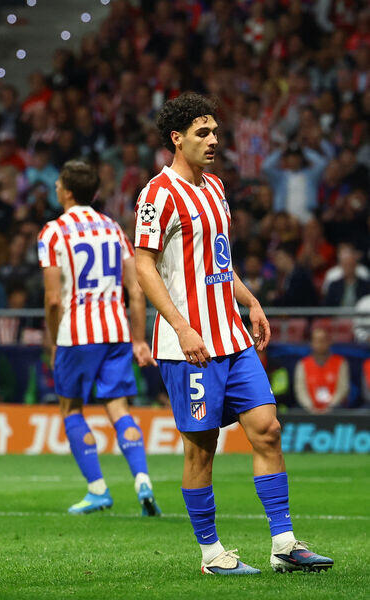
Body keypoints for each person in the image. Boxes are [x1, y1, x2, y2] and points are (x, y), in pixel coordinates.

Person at [134, 92, 333, 575]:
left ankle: (284, 545)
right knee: (201, 449)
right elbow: (143, 265)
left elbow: (219, 261)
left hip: (232, 335)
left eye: (216, 132)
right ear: (176, 138)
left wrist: (250, 301)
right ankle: (211, 554)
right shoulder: (157, 194)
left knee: (268, 429)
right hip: (191, 345)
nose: (213, 141)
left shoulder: (216, 186)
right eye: (202, 133)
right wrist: (181, 327)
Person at [38, 159, 162, 516]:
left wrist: (54, 340)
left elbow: (53, 299)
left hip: (76, 333)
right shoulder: (113, 228)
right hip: (116, 330)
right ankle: (142, 480)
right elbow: (136, 290)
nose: (56, 187)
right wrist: (139, 340)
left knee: (71, 408)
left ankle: (97, 489)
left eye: (58, 183)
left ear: (67, 192)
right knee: (119, 408)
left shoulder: (53, 232)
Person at [294, 328, 350, 413]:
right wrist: (310, 407)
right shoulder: (302, 364)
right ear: (311, 343)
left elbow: (343, 389)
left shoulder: (341, 362)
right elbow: (300, 390)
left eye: (323, 340)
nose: (320, 344)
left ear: (329, 342)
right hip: (309, 411)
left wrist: (330, 407)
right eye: (316, 340)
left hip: (335, 410)